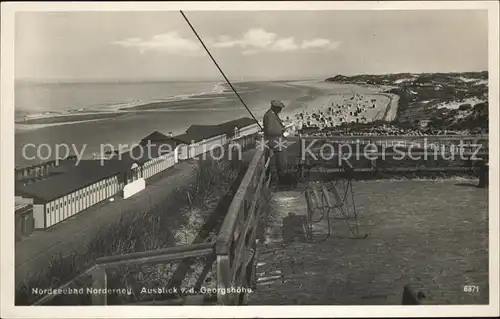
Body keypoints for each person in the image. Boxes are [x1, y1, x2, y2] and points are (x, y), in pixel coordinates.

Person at [263, 100, 288, 181]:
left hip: (277, 140)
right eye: (280, 108)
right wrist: (282, 130)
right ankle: (282, 179)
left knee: (280, 160)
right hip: (275, 141)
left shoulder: (272, 114)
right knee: (281, 161)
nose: (280, 110)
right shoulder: (269, 116)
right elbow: (270, 131)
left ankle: (281, 177)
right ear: (275, 108)